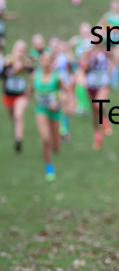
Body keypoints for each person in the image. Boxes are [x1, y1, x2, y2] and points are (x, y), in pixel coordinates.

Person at [32, 51, 70, 181]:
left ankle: (55, 145)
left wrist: (58, 103)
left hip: (54, 111)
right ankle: (48, 166)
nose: (45, 62)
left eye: (48, 60)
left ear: (51, 62)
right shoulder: (34, 76)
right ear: (40, 62)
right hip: (41, 110)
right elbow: (30, 91)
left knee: (55, 147)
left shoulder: (57, 77)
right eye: (43, 60)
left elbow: (66, 92)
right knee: (45, 138)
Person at [78, 40, 112, 150]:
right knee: (95, 113)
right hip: (92, 84)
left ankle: (105, 121)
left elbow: (113, 61)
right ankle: (97, 134)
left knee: (99, 104)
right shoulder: (88, 53)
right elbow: (84, 68)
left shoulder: (105, 51)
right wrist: (91, 61)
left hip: (103, 83)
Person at [2, 40, 33, 153]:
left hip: (21, 95)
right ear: (14, 50)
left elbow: (32, 76)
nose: (20, 53)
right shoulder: (8, 61)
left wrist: (30, 90)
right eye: (19, 50)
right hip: (9, 94)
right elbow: (3, 76)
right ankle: (17, 132)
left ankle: (19, 141)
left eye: (23, 50)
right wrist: (13, 69)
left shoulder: (27, 63)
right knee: (14, 118)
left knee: (18, 116)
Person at [99, 0, 119, 90]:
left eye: (118, 6)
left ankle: (114, 81)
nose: (116, 8)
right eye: (114, 6)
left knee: (117, 60)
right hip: (108, 41)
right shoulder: (108, 16)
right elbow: (101, 25)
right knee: (108, 60)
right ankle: (106, 79)